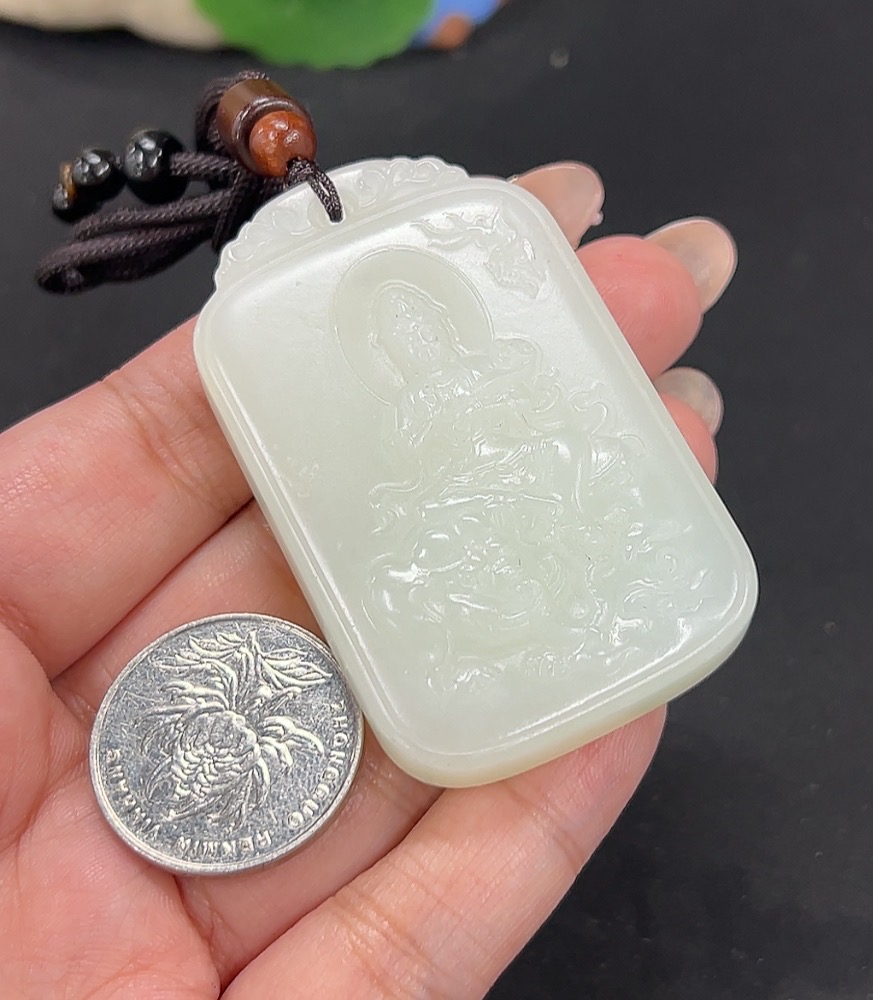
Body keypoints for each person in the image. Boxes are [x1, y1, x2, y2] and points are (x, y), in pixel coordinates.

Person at [0, 161, 735, 997]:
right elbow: (408, 477)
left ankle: (567, 575)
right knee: (416, 555)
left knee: (576, 463)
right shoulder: (408, 408)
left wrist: (519, 444)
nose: (416, 339)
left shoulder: (500, 364)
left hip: (534, 470)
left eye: (423, 321)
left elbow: (547, 415)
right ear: (383, 352)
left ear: (448, 323)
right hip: (459, 504)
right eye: (398, 334)